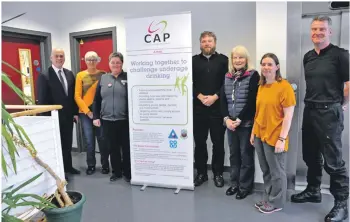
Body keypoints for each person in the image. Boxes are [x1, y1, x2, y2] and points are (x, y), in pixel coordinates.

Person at [291, 16, 349, 222]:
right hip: (310, 110)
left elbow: (348, 82)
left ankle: (342, 204)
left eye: (322, 29)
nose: (317, 32)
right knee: (310, 155)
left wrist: (342, 103)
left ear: (330, 32)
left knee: (333, 162)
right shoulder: (308, 56)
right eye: (314, 29)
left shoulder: (340, 55)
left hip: (329, 113)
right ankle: (313, 190)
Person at [250, 53, 296, 214]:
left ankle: (277, 202)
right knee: (266, 170)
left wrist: (282, 139)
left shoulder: (285, 87)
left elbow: (288, 116)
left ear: (277, 67)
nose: (266, 67)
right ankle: (269, 197)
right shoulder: (261, 86)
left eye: (270, 64)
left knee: (277, 172)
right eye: (263, 64)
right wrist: (253, 133)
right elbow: (258, 112)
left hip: (275, 136)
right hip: (259, 135)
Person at [221, 45, 259, 199]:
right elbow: (223, 100)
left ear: (246, 59)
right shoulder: (228, 76)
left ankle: (245, 187)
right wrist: (226, 119)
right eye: (235, 57)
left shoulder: (253, 75)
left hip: (245, 124)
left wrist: (239, 119)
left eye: (241, 57)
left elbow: (252, 101)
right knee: (233, 155)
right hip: (230, 124)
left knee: (246, 156)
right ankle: (234, 184)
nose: (237, 60)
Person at [36, 48, 81, 179]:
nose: (59, 58)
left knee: (67, 143)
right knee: (57, 145)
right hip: (53, 118)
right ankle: (59, 172)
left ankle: (68, 167)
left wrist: (75, 113)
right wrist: (45, 120)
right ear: (51, 58)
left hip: (68, 117)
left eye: (62, 56)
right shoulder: (44, 76)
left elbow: (72, 96)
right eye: (57, 56)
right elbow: (42, 100)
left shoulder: (69, 74)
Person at [192, 31, 228, 187]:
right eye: (204, 41)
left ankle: (218, 173)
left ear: (215, 42)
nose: (207, 43)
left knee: (218, 143)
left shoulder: (224, 60)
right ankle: (201, 173)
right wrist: (198, 96)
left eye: (210, 41)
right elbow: (186, 82)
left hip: (217, 109)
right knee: (199, 143)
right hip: (198, 109)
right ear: (200, 43)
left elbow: (227, 83)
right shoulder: (192, 61)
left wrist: (215, 96)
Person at [93, 52, 131, 182]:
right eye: (113, 62)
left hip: (124, 120)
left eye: (118, 62)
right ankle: (116, 172)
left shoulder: (128, 77)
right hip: (107, 120)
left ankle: (127, 172)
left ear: (122, 64)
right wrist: (96, 117)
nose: (115, 65)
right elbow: (96, 100)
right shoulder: (103, 79)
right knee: (112, 148)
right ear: (109, 64)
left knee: (126, 148)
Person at [74, 51, 109, 175]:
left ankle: (105, 165)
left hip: (99, 112)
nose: (91, 62)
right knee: (89, 141)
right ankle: (91, 165)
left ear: (98, 60)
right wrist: (88, 112)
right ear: (85, 61)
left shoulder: (104, 74)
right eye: (89, 59)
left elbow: (105, 94)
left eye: (94, 59)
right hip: (85, 113)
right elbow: (77, 96)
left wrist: (97, 113)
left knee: (102, 139)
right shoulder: (80, 75)